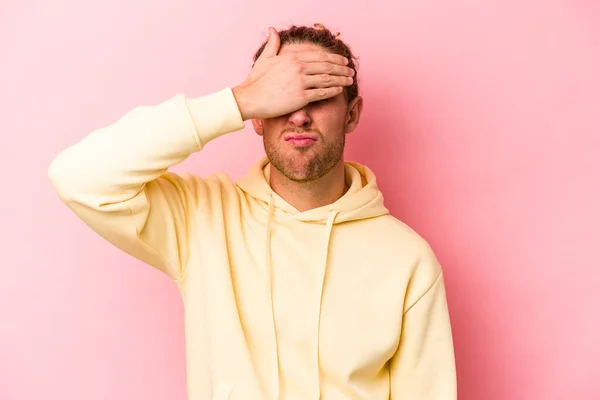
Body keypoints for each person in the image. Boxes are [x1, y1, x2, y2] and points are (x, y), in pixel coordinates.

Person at [49, 23, 457, 400]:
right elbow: (78, 176)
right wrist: (238, 100)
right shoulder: (201, 219)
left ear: (351, 114)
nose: (298, 114)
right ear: (257, 118)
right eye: (281, 97)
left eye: (318, 95)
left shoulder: (408, 259)